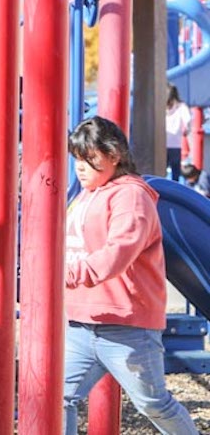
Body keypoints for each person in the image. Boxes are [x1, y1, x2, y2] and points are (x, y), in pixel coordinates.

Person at [63, 116, 198, 435]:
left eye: (90, 160)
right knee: (58, 398)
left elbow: (117, 254)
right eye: (77, 160)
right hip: (81, 321)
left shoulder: (131, 196)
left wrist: (59, 275)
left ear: (115, 156)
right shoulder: (83, 196)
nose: (80, 168)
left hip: (127, 325)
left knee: (153, 403)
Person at [166, 85, 191, 181]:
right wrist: (186, 130)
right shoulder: (181, 107)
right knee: (175, 172)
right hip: (175, 144)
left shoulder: (162, 107)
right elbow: (188, 121)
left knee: (158, 172)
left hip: (161, 144)